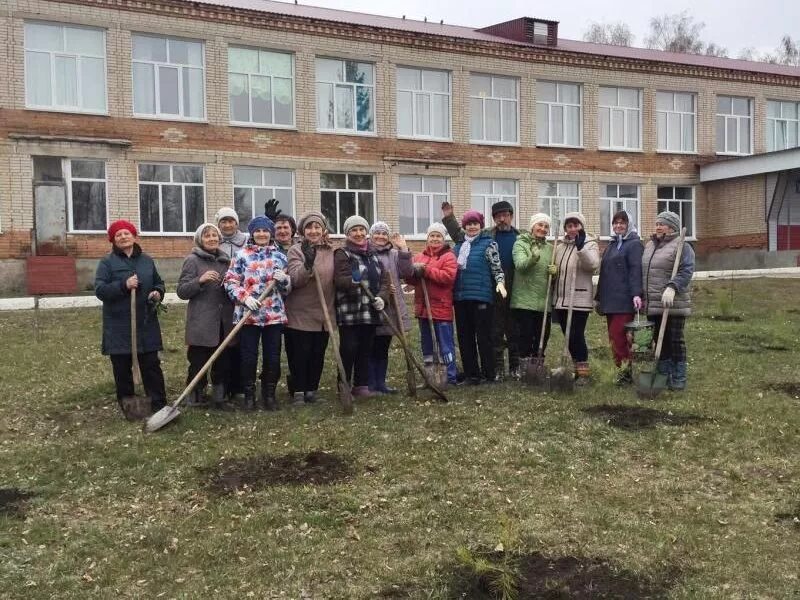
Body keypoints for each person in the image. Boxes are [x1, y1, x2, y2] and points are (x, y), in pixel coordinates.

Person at [95, 220, 167, 414]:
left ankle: (159, 403)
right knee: (122, 366)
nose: (123, 237)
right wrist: (123, 285)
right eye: (118, 235)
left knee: (151, 364)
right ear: (113, 240)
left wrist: (157, 293)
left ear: (134, 236)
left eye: (127, 233)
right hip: (119, 324)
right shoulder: (107, 262)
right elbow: (100, 290)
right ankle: (129, 405)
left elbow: (159, 283)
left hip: (145, 322)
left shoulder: (146, 260)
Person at [442, 199, 519, 379]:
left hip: (514, 286)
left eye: (505, 215)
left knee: (514, 328)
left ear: (511, 217)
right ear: (493, 219)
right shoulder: (485, 236)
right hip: (488, 289)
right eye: (498, 216)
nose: (502, 219)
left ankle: (515, 365)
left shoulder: (519, 236)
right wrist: (449, 218)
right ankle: (496, 367)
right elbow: (459, 234)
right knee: (494, 330)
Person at [224, 215, 291, 410]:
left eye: (265, 231)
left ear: (271, 234)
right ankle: (249, 395)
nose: (261, 234)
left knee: (273, 356)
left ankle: (269, 395)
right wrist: (244, 298)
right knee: (248, 357)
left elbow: (288, 290)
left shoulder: (279, 256)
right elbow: (230, 281)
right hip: (248, 316)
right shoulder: (241, 255)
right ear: (252, 233)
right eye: (258, 231)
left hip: (273, 315)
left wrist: (284, 280)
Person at [176, 223, 235, 409]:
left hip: (224, 320)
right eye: (207, 236)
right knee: (198, 361)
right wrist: (199, 280)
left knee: (223, 360)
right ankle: (194, 394)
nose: (212, 239)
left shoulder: (226, 261)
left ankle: (219, 396)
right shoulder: (192, 260)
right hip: (202, 321)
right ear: (200, 240)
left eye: (214, 235)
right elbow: (182, 291)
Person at [333, 215, 391, 397]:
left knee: (366, 348)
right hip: (350, 311)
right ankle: (344, 384)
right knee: (349, 348)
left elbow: (384, 280)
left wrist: (382, 297)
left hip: (370, 310)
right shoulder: (343, 254)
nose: (358, 233)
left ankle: (361, 385)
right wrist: (353, 281)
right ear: (347, 234)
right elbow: (339, 280)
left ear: (366, 232)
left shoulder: (373, 254)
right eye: (353, 230)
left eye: (361, 230)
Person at [284, 211, 335, 405]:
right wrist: (308, 264)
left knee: (317, 353)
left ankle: (312, 390)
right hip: (300, 311)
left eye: (317, 227)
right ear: (302, 231)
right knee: (300, 353)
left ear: (323, 230)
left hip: (324, 312)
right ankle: (298, 390)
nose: (313, 231)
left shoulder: (331, 250)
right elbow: (296, 280)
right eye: (309, 227)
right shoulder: (296, 250)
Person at [452, 210, 506, 385]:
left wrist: (500, 283)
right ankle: (471, 374)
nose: (472, 227)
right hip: (460, 297)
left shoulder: (489, 244)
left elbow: (497, 268)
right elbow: (450, 270)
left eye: (475, 223)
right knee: (464, 337)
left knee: (484, 337)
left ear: (481, 226)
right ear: (464, 227)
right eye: (469, 224)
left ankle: (489, 373)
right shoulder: (458, 247)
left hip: (481, 297)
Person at [642, 211, 695, 391]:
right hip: (653, 302)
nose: (657, 226)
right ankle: (663, 374)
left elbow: (686, 270)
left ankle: (678, 376)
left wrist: (672, 287)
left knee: (675, 340)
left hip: (673, 302)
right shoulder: (650, 245)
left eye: (662, 224)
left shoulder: (682, 246)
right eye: (656, 223)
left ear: (671, 227)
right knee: (659, 339)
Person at [550, 212, 600, 386]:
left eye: (576, 225)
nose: (572, 229)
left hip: (579, 298)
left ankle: (584, 374)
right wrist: (552, 271)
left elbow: (592, 265)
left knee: (577, 336)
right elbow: (557, 268)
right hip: (561, 299)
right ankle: (575, 369)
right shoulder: (560, 246)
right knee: (568, 336)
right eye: (569, 226)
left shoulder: (590, 244)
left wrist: (581, 249)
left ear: (582, 226)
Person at [407, 222, 459, 385]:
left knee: (445, 345)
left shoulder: (449, 256)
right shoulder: (419, 257)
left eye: (438, 236)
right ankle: (431, 375)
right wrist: (412, 270)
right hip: (424, 309)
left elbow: (448, 277)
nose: (435, 239)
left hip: (441, 309)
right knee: (427, 345)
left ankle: (449, 376)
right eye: (432, 236)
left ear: (443, 239)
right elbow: (410, 279)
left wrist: (427, 270)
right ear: (427, 238)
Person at [595, 210, 643, 385]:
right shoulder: (612, 244)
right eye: (615, 223)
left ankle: (625, 373)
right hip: (610, 300)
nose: (618, 226)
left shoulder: (634, 244)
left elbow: (635, 269)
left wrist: (637, 294)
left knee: (620, 337)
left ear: (628, 224)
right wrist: (598, 297)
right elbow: (603, 274)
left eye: (622, 222)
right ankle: (621, 371)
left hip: (624, 300)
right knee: (613, 338)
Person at [367, 221, 413, 394]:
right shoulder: (367, 252)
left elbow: (407, 272)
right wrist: (383, 289)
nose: (380, 236)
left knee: (383, 346)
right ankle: (369, 384)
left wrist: (403, 250)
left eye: (384, 234)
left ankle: (381, 383)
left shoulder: (394, 254)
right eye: (377, 233)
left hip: (392, 306)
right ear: (371, 236)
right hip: (374, 304)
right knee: (371, 346)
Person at [510, 213, 554, 376]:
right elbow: (520, 265)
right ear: (532, 227)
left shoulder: (551, 248)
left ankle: (537, 369)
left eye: (546, 226)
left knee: (543, 336)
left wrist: (555, 272)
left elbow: (553, 273)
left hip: (543, 301)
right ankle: (524, 370)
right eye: (539, 225)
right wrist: (533, 257)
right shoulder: (521, 243)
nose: (542, 229)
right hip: (524, 300)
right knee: (526, 336)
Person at [214, 206, 248, 401]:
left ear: (236, 223)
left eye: (231, 221)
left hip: (243, 298)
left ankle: (240, 385)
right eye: (223, 222)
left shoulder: (246, 241)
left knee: (240, 343)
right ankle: (222, 384)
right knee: (223, 343)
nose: (227, 225)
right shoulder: (213, 241)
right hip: (221, 302)